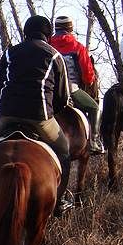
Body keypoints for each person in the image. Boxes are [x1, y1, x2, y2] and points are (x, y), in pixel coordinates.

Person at [0, 15, 74, 216]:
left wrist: (8, 104)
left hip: (7, 114)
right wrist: (51, 111)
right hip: (40, 117)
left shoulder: (10, 53)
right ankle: (59, 200)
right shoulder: (55, 56)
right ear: (48, 35)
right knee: (64, 150)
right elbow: (63, 96)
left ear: (25, 33)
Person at [49, 15, 104, 154]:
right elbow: (88, 76)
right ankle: (94, 141)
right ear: (70, 28)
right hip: (71, 89)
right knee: (94, 107)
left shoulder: (48, 45)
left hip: (49, 90)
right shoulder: (78, 47)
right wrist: (89, 81)